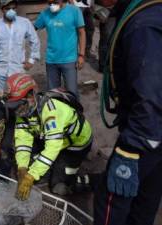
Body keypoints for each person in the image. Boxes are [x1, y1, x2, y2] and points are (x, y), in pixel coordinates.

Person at [95, 0, 162, 224]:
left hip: (147, 132)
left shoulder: (143, 24)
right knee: (145, 199)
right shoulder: (150, 12)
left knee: (111, 198)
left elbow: (150, 90)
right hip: (156, 133)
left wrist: (130, 148)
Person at [4, 74, 93, 198]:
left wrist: (31, 176)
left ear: (31, 96)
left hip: (75, 146)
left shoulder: (52, 111)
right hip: (52, 139)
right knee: (28, 164)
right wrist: (22, 168)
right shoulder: (23, 112)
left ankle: (91, 179)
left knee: (59, 187)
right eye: (13, 107)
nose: (17, 111)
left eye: (19, 105)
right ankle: (52, 166)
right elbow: (23, 141)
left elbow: (52, 148)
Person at [34, 0, 86, 98]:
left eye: (55, 2)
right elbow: (33, 28)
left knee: (72, 93)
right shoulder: (45, 13)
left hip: (69, 60)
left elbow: (81, 32)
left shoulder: (74, 11)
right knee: (53, 94)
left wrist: (81, 55)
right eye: (49, 2)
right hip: (51, 60)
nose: (52, 5)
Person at [0, 0, 41, 96]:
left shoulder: (25, 23)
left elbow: (35, 40)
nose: (11, 11)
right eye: (8, 9)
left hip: (18, 69)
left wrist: (32, 60)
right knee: (3, 97)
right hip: (1, 70)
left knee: (19, 97)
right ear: (2, 9)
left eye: (13, 8)